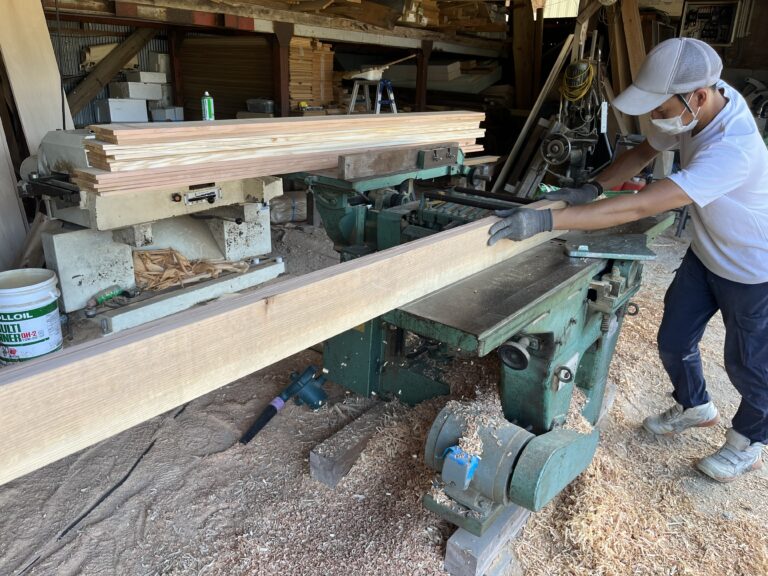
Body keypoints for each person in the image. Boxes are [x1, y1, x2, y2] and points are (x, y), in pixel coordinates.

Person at [487, 37, 768, 482]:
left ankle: (748, 442)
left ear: (697, 97)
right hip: (707, 253)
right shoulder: (693, 107)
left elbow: (643, 204)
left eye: (660, 108)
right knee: (675, 339)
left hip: (754, 269)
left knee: (750, 366)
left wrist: (549, 222)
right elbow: (643, 152)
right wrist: (592, 188)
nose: (655, 117)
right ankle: (696, 407)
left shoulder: (734, 148)